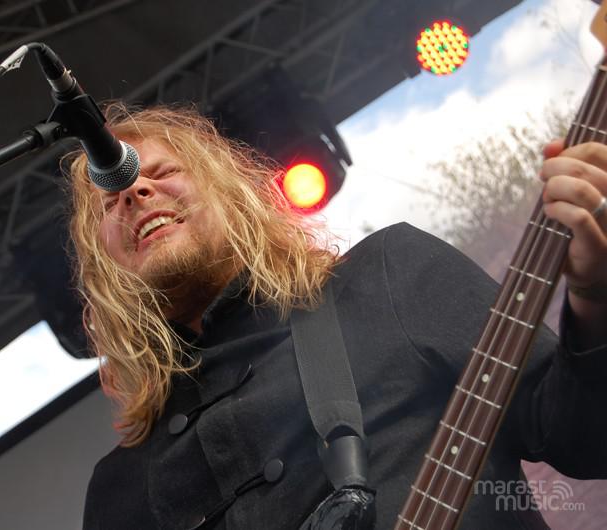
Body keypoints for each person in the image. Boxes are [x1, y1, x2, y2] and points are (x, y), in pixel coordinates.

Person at [67, 104, 607, 529]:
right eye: (109, 203)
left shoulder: (391, 274)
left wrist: (595, 293)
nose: (133, 191)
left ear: (228, 193)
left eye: (160, 172)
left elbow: (586, 440)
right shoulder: (119, 492)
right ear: (102, 265)